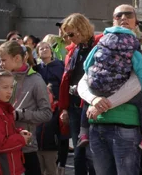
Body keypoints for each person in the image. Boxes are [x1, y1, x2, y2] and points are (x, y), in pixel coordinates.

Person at [76, 5, 142, 175]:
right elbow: (84, 79)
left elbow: (135, 85)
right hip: (96, 125)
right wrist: (93, 100)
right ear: (113, 21)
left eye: (128, 15)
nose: (123, 18)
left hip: (124, 126)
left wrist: (101, 104)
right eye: (118, 15)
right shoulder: (102, 44)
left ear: (136, 21)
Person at [81, 25, 142, 156]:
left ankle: (83, 133)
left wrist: (95, 78)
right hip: (116, 87)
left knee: (88, 101)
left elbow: (86, 64)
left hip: (96, 86)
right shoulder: (132, 46)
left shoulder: (101, 43)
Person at [0, 40, 52, 175]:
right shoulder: (0, 77)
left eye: (3, 60)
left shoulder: (36, 80)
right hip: (2, 143)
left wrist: (20, 114)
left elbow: (46, 113)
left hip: (26, 147)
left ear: (16, 58)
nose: (0, 64)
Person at [58, 13, 97, 175]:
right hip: (74, 107)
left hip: (92, 106)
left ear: (82, 29)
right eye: (67, 34)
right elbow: (66, 80)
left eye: (71, 34)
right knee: (79, 154)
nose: (69, 38)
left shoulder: (98, 46)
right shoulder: (74, 51)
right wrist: (64, 108)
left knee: (93, 153)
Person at [35, 41, 68, 175]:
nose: (44, 50)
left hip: (58, 104)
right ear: (37, 53)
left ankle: (62, 165)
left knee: (62, 135)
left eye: (47, 47)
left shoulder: (60, 65)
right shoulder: (36, 69)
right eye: (41, 48)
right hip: (41, 105)